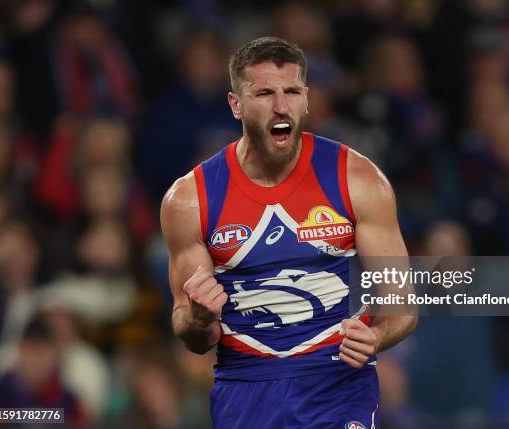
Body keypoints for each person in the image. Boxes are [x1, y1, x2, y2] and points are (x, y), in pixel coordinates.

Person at [160, 36, 417, 428]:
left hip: (338, 383)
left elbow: (402, 304)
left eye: (292, 91)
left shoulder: (358, 179)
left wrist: (376, 337)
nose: (281, 106)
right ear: (236, 104)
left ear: (307, 99)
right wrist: (197, 318)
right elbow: (192, 333)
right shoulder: (190, 200)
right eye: (264, 93)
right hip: (245, 389)